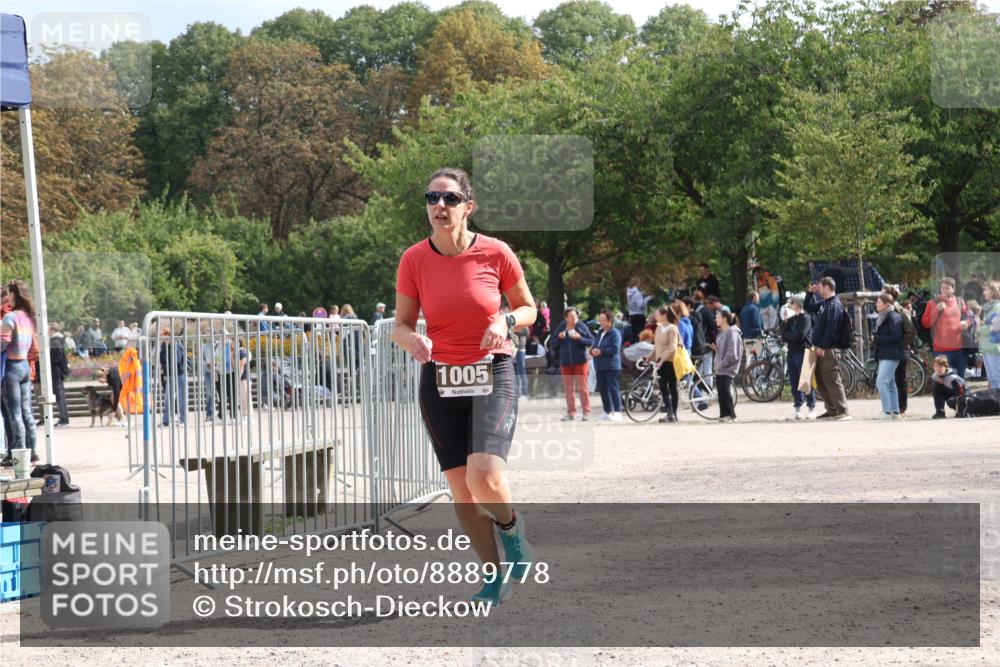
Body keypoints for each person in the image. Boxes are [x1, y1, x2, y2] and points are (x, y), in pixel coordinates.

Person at [392, 167, 536, 606]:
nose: (440, 205)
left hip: (492, 370)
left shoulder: (496, 253)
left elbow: (529, 308)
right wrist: (412, 338)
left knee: (485, 475)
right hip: (440, 378)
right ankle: (494, 577)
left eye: (450, 199)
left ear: (467, 208)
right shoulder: (413, 259)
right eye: (432, 197)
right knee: (460, 488)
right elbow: (398, 325)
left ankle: (511, 529)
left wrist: (504, 320)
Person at [1, 280, 39, 463]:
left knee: (14, 413)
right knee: (27, 412)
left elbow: (3, 342)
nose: (6, 297)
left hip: (12, 367)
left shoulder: (10, 317)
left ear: (13, 294)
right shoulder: (28, 317)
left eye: (7, 293)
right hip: (24, 366)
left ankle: (19, 452)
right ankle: (33, 451)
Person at [809, 277, 850, 420]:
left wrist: (823, 346)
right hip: (819, 348)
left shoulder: (834, 305)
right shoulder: (824, 304)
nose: (819, 290)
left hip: (828, 349)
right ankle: (832, 408)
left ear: (827, 288)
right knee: (820, 379)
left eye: (820, 288)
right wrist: (810, 293)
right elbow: (808, 307)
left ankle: (842, 409)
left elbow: (831, 328)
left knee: (832, 379)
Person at [921, 277, 971, 380]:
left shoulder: (959, 301)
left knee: (960, 382)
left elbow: (968, 316)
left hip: (959, 349)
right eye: (942, 288)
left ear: (953, 289)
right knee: (943, 382)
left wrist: (967, 322)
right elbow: (925, 323)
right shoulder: (933, 303)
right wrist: (936, 310)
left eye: (947, 288)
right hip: (941, 350)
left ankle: (959, 397)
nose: (944, 290)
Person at [551, 307, 594, 421]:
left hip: (581, 361)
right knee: (569, 388)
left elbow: (591, 341)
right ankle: (571, 413)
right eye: (571, 317)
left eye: (575, 316)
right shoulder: (561, 326)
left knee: (583, 388)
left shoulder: (581, 326)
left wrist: (580, 338)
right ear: (566, 318)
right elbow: (553, 343)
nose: (574, 318)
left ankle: (586, 413)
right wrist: (559, 338)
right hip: (566, 362)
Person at [781, 296, 816, 420]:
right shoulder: (791, 320)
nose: (789, 304)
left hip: (805, 351)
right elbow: (783, 336)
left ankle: (811, 408)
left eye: (791, 302)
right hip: (792, 352)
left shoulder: (806, 318)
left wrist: (789, 335)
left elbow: (800, 335)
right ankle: (798, 408)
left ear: (797, 304)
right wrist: (790, 336)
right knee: (794, 380)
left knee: (806, 382)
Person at [884, 285, 916, 417]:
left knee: (899, 378)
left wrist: (901, 345)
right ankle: (894, 407)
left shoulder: (901, 311)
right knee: (891, 379)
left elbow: (911, 332)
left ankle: (901, 407)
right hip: (891, 350)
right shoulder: (887, 311)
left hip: (900, 349)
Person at [872, 293, 904, 419]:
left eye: (878, 302)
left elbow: (896, 336)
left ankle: (886, 411)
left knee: (881, 381)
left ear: (887, 304)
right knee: (890, 383)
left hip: (892, 354)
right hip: (887, 353)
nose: (876, 304)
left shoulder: (893, 317)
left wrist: (877, 338)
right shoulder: (885, 316)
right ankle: (894, 412)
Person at [649, 305, 680, 423]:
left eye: (657, 314)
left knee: (672, 387)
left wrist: (662, 360)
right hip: (660, 362)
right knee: (662, 387)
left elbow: (672, 347)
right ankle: (669, 412)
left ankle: (674, 413)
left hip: (669, 362)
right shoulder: (659, 328)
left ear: (664, 315)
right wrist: (650, 356)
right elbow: (656, 346)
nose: (655, 316)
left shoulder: (672, 328)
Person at [591, 309, 623, 421]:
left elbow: (615, 349)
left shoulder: (615, 333)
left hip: (611, 366)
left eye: (604, 320)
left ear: (610, 321)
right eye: (600, 320)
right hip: (599, 365)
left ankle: (618, 411)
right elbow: (594, 345)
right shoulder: (600, 332)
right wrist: (592, 351)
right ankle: (607, 411)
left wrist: (601, 351)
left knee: (613, 388)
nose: (602, 322)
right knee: (603, 390)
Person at [714, 309, 743, 422]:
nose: (716, 319)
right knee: (721, 391)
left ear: (724, 318)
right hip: (721, 367)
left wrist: (723, 363)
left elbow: (733, 353)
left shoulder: (732, 332)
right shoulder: (722, 332)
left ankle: (731, 415)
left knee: (725, 391)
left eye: (718, 317)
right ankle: (724, 415)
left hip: (728, 367)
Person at [158, 324, 188, 426]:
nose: (162, 336)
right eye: (161, 334)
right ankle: (166, 420)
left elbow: (177, 360)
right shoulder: (163, 346)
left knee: (181, 397)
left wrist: (166, 366)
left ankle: (183, 419)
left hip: (179, 374)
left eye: (164, 334)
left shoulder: (176, 345)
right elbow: (161, 360)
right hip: (169, 375)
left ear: (169, 335)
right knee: (168, 398)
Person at [49, 324, 71, 427]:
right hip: (59, 371)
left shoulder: (55, 341)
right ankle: (64, 418)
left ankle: (63, 419)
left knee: (59, 396)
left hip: (56, 371)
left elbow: (57, 358)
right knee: (60, 396)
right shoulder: (59, 340)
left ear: (52, 330)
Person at [979, 280, 1000, 389]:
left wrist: (979, 328)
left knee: (997, 380)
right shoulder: (989, 308)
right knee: (992, 380)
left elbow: (995, 326)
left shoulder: (998, 307)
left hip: (994, 348)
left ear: (993, 291)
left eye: (986, 290)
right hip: (987, 348)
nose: (983, 292)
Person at [626, 278, 653, 344]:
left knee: (634, 332)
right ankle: (639, 345)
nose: (640, 285)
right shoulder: (637, 293)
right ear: (636, 284)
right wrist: (648, 298)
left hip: (632, 314)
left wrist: (643, 294)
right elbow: (640, 305)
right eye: (639, 283)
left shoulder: (629, 293)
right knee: (640, 333)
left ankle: (633, 344)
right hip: (639, 314)